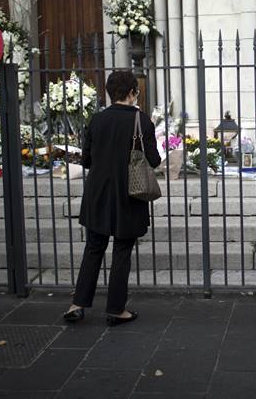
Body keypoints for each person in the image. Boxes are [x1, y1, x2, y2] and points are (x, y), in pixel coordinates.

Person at [63, 70, 161, 326]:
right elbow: (154, 160)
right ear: (132, 93)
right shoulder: (142, 120)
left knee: (93, 248)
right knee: (122, 251)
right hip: (129, 194)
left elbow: (86, 160)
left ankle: (78, 303)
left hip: (98, 193)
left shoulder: (97, 120)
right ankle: (116, 309)